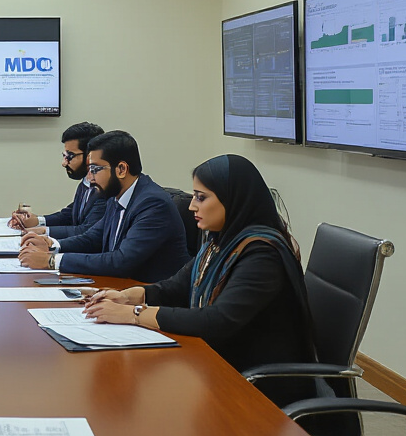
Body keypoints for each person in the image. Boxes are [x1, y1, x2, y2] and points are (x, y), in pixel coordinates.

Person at [82, 154, 314, 406]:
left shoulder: (261, 255)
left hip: (257, 387)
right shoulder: (221, 241)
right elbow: (177, 287)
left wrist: (133, 314)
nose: (192, 206)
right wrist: (128, 296)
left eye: (201, 198)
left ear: (231, 199)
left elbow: (217, 320)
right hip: (219, 365)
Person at [19, 130, 187, 281]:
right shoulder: (117, 195)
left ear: (121, 169)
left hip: (148, 297)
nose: (90, 178)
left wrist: (51, 261)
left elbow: (121, 261)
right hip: (119, 288)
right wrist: (52, 245)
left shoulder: (153, 204)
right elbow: (93, 238)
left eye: (95, 169)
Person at [9, 121, 107, 239]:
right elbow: (70, 215)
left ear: (90, 156)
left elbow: (87, 230)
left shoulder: (105, 190)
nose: (64, 163)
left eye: (70, 156)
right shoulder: (86, 182)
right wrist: (37, 221)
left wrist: (44, 231)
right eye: (64, 155)